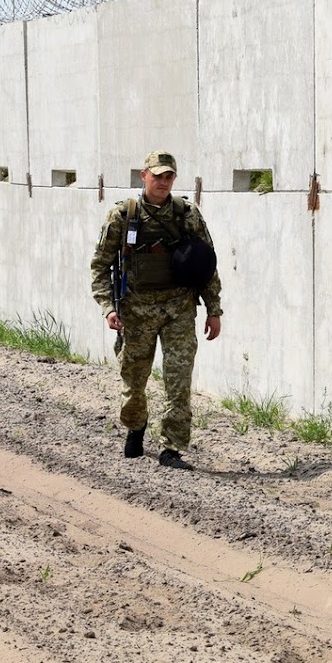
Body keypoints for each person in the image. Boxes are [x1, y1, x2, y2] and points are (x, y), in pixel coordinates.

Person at [90, 150, 222, 470]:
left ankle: (171, 448)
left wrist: (213, 309)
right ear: (144, 176)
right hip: (135, 312)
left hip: (178, 309)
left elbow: (206, 263)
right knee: (134, 383)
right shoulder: (123, 216)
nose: (163, 182)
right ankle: (136, 426)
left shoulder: (187, 214)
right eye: (158, 175)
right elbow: (100, 266)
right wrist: (108, 307)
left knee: (178, 381)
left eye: (169, 177)